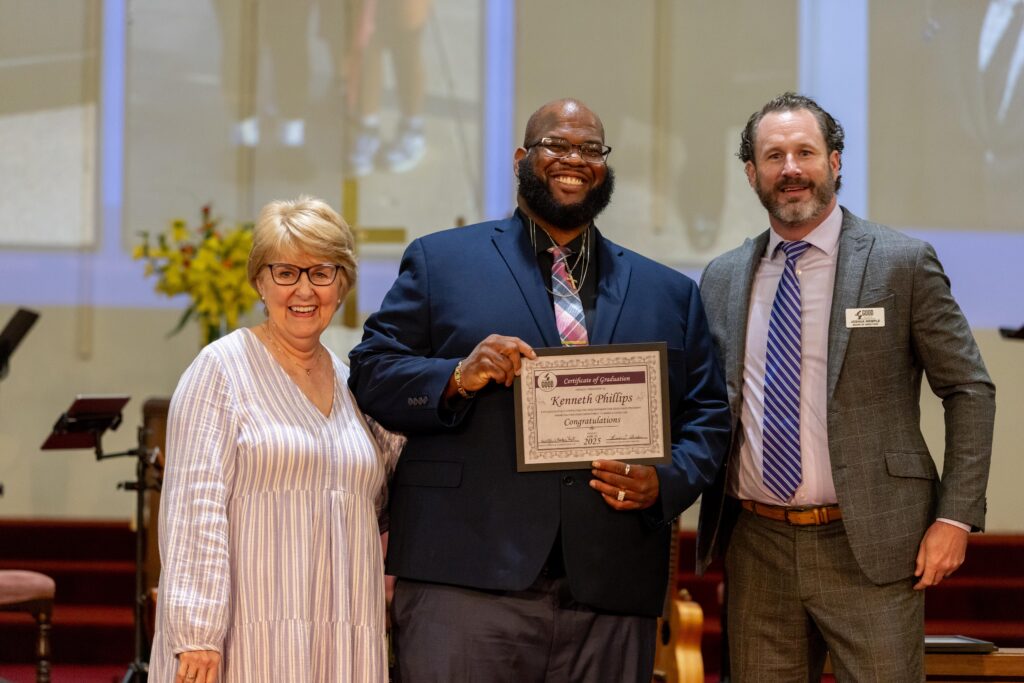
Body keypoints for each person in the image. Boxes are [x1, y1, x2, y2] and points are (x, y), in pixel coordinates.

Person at [348, 98, 731, 682]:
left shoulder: (669, 292)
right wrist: (454, 376)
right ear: (523, 158)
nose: (573, 159)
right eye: (557, 145)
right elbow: (371, 371)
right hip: (465, 578)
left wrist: (666, 480)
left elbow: (707, 414)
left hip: (610, 585)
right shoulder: (441, 261)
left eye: (590, 149)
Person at [697, 92, 995, 682]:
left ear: (835, 162)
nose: (791, 169)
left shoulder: (901, 263)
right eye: (774, 155)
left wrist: (956, 517)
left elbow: (969, 389)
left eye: (805, 152)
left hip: (873, 544)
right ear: (752, 174)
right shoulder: (723, 277)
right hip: (756, 543)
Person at [149, 196, 403, 682]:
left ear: (342, 283)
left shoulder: (355, 386)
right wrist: (197, 634)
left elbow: (383, 500)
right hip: (248, 638)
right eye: (285, 272)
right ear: (259, 281)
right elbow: (193, 510)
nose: (303, 290)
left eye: (321, 272)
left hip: (341, 633)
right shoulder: (220, 371)